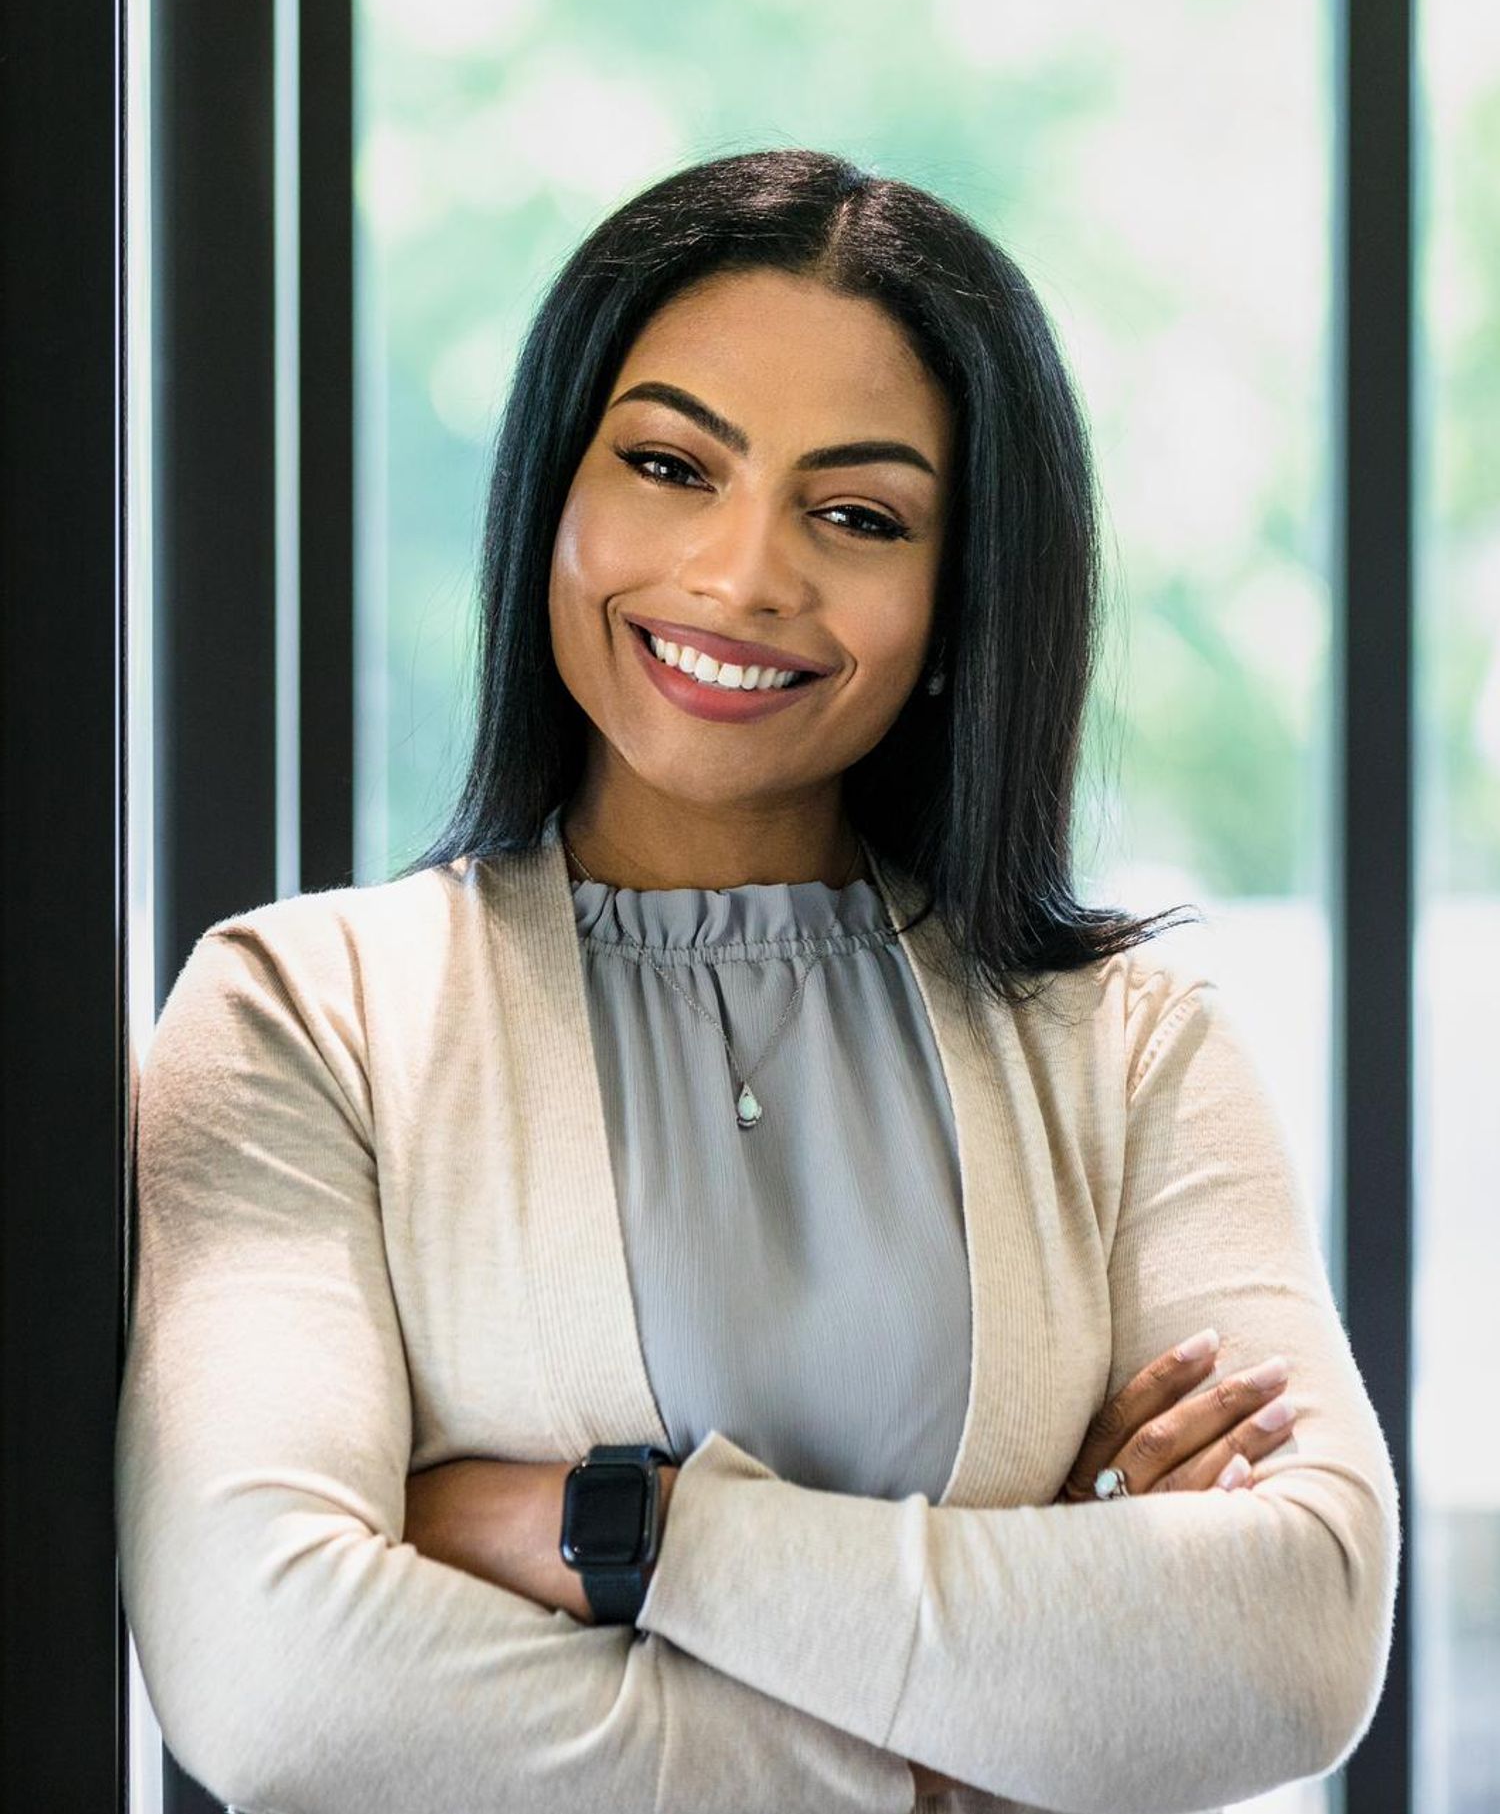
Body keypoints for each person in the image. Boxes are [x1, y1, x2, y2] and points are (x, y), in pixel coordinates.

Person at [115, 147, 1399, 1812]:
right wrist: (981, 1735)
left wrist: (625, 1534)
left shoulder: (1129, 1047)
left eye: (857, 513)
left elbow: (1292, 1638)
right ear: (554, 495)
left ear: (959, 600)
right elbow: (280, 1679)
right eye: (667, 465)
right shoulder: (305, 1019)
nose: (741, 576)